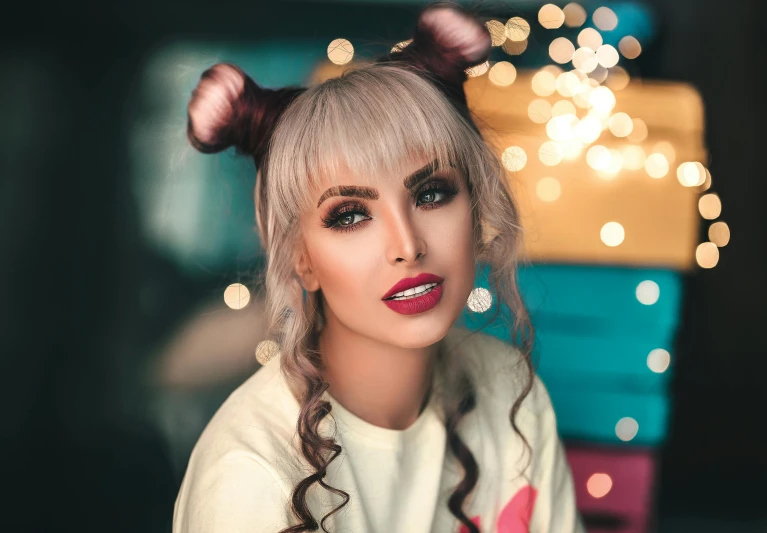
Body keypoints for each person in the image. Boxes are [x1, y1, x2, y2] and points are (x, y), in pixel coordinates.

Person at [172, 2, 584, 532]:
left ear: (476, 207)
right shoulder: (250, 477)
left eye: (432, 193)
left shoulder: (511, 393)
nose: (407, 245)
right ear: (302, 259)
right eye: (349, 216)